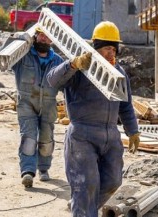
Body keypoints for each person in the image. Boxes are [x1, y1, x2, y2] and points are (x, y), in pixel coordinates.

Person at [47, 21, 140, 216]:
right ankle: (83, 209)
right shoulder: (81, 69)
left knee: (114, 181)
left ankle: (82, 208)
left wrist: (133, 131)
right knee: (86, 184)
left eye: (114, 49)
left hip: (110, 136)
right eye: (107, 48)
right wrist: (72, 64)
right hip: (82, 135)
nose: (111, 53)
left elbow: (125, 105)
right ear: (97, 48)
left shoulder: (119, 74)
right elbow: (52, 80)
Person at [12, 27, 64, 188]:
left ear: (52, 40)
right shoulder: (22, 55)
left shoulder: (57, 61)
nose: (43, 38)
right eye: (40, 34)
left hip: (49, 104)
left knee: (46, 138)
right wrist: (19, 39)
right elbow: (5, 54)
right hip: (26, 102)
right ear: (35, 36)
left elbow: (68, 84)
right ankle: (27, 171)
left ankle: (43, 169)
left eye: (47, 36)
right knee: (28, 137)